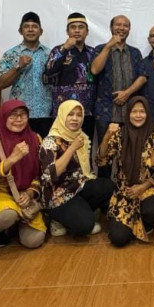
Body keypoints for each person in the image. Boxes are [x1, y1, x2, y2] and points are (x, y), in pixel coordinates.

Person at [0, 100, 46, 249]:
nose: (18, 120)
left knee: (34, 241)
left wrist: (30, 192)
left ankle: (16, 223)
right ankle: (0, 229)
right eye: (13, 116)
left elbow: (42, 173)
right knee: (6, 217)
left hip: (24, 195)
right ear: (3, 117)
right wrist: (11, 159)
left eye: (23, 115)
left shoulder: (35, 139)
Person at [98, 97, 154, 247]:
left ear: (147, 114)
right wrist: (107, 136)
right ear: (128, 114)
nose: (138, 115)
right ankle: (133, 224)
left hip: (147, 188)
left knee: (153, 210)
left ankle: (145, 223)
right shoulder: (120, 134)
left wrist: (142, 187)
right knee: (117, 238)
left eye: (142, 111)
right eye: (134, 111)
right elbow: (102, 159)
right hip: (125, 191)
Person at [39, 100, 114, 238]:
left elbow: (97, 162)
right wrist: (72, 148)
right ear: (62, 116)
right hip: (58, 196)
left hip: (78, 187)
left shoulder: (81, 136)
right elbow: (50, 175)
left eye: (79, 115)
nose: (75, 118)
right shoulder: (50, 141)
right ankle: (56, 218)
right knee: (85, 226)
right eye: (70, 114)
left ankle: (79, 211)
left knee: (107, 186)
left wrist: (107, 137)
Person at [91, 15, 147, 176]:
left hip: (129, 113)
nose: (121, 28)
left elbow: (143, 76)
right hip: (105, 111)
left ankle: (125, 191)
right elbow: (94, 70)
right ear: (111, 28)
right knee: (105, 155)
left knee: (128, 155)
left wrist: (127, 93)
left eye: (125, 25)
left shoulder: (135, 53)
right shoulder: (100, 49)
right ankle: (105, 192)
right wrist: (108, 47)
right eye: (118, 25)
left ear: (129, 29)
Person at [0, 12, 53, 138]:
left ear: (41, 31)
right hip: (19, 115)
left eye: (34, 26)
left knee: (44, 152)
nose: (30, 29)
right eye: (26, 26)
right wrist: (18, 66)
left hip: (45, 113)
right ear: (20, 30)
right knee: (20, 150)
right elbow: (1, 83)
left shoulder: (50, 54)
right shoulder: (11, 54)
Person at [44, 12, 96, 138]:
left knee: (85, 147)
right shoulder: (58, 50)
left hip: (87, 111)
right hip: (64, 111)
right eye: (73, 27)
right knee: (62, 148)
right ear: (67, 31)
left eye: (81, 27)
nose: (77, 31)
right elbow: (48, 72)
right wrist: (65, 48)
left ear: (87, 31)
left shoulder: (93, 52)